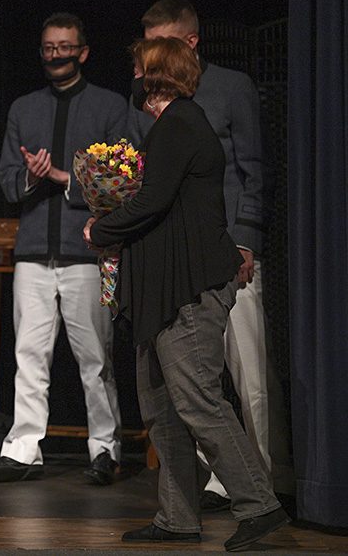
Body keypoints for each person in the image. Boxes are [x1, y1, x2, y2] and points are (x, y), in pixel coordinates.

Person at [85, 37, 288, 551]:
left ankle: (259, 504)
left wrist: (102, 230)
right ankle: (177, 517)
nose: (131, 75)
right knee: (160, 407)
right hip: (165, 288)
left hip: (191, 288)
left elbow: (153, 200)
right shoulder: (169, 126)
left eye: (137, 66)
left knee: (197, 400)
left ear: (153, 74)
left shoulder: (180, 122)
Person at [128, 0, 281, 513]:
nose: (144, 60)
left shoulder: (224, 92)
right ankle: (201, 498)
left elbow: (252, 172)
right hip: (172, 261)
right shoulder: (149, 104)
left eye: (156, 45)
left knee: (244, 380)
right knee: (180, 388)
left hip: (224, 253)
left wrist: (245, 240)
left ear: (186, 43)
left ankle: (257, 490)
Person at [0, 13, 123, 486]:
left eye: (65, 47)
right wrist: (31, 176)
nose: (56, 54)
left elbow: (122, 181)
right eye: (48, 47)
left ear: (83, 52)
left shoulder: (109, 105)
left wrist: (64, 178)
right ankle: (23, 450)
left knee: (95, 356)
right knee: (29, 353)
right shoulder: (24, 108)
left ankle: (105, 449)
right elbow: (6, 179)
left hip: (88, 251)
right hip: (34, 250)